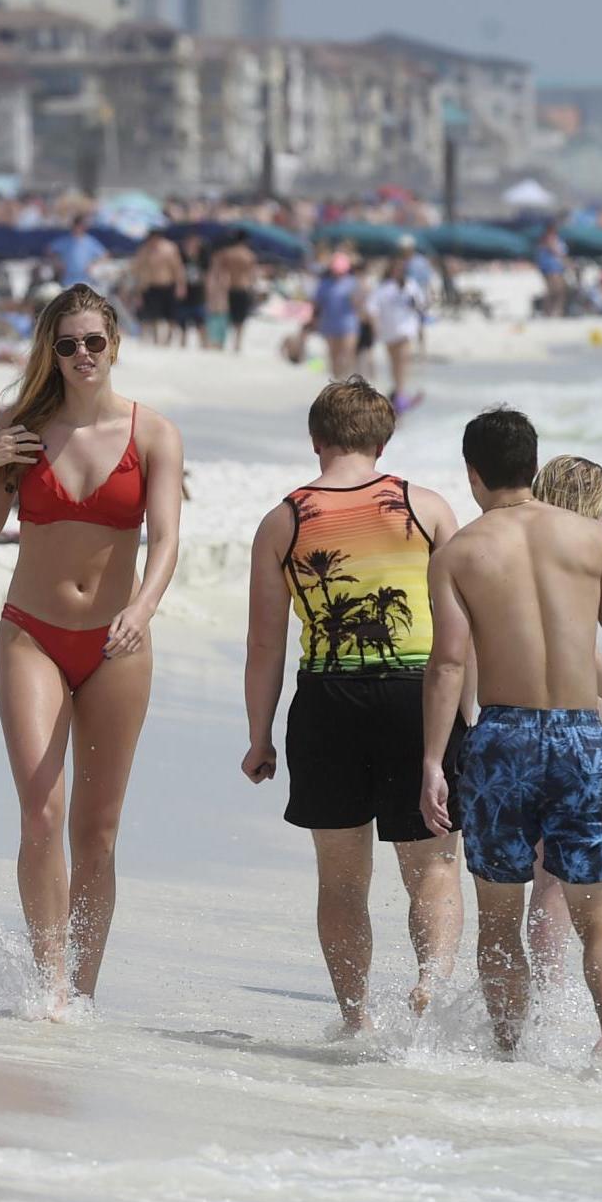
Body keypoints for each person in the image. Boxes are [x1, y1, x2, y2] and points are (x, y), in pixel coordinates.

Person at [0, 285, 184, 1015]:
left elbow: (165, 540)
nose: (83, 355)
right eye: (68, 344)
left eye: (94, 341)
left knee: (98, 830)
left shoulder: (152, 432)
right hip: (33, 634)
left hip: (121, 642)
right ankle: (49, 982)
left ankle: (83, 991)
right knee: (40, 814)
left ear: (114, 343)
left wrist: (143, 609)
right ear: (49, 352)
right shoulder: (24, 427)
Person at [419, 407, 602, 1079]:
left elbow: (450, 665)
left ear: (473, 472)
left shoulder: (458, 552)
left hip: (504, 737)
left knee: (498, 915)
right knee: (600, 909)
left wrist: (434, 758)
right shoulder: (589, 539)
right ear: (532, 462)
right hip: (581, 731)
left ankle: (511, 1047)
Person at [243, 376, 463, 1030]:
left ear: (316, 440)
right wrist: (467, 711)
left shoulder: (284, 520)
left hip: (326, 697)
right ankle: (429, 979)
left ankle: (355, 1013)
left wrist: (260, 736)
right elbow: (460, 628)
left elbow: (264, 641)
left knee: (340, 879)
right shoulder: (427, 508)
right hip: (416, 694)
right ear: (383, 438)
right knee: (431, 865)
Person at [522, 455, 602, 984]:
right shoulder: (584, 552)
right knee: (555, 879)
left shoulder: (517, 543)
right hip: (570, 728)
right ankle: (548, 989)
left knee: (522, 877)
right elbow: (580, 648)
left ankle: (524, 986)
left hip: (511, 725)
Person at [366, 256, 428, 411]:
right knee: (395, 363)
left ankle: (400, 393)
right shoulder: (383, 287)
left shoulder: (410, 286)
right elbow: (371, 308)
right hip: (388, 331)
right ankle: (397, 394)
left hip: (405, 330)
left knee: (402, 360)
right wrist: (375, 327)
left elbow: (421, 304)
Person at [130, 229, 186, 343]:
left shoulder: (169, 249)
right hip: (151, 286)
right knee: (153, 315)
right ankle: (156, 339)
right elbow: (137, 270)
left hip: (167, 285)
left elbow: (178, 268)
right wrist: (138, 291)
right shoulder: (144, 250)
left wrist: (181, 285)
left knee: (170, 315)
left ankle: (168, 338)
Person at [311, 254, 362, 378]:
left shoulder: (352, 283)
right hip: (330, 324)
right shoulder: (324, 284)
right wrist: (314, 321)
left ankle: (347, 381)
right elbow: (317, 304)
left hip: (349, 325)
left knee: (347, 355)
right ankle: (338, 383)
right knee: (334, 356)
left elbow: (359, 304)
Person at [214, 228, 261, 352]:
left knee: (227, 316)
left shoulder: (228, 254)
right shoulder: (249, 255)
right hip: (244, 288)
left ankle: (223, 342)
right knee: (241, 318)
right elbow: (253, 275)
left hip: (230, 287)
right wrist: (254, 290)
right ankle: (237, 343)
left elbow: (219, 271)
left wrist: (219, 286)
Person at [46, 213, 108, 291]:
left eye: (82, 226)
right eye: (77, 225)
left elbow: (104, 255)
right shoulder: (65, 241)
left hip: (86, 281)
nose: (79, 228)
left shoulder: (90, 241)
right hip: (67, 281)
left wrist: (93, 264)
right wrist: (57, 262)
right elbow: (49, 250)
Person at [534, 223, 569, 318]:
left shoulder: (559, 241)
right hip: (549, 269)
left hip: (558, 269)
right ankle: (548, 311)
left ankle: (558, 310)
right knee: (552, 290)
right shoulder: (544, 242)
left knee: (561, 289)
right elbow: (553, 251)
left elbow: (563, 255)